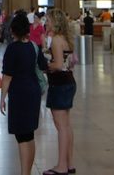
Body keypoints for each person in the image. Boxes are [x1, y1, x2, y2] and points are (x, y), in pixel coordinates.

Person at [0, 12, 43, 175]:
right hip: (33, 91)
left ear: (13, 30)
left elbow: (7, 76)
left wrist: (2, 98)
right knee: (29, 134)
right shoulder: (32, 46)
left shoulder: (12, 48)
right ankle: (27, 172)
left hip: (20, 94)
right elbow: (42, 65)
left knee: (22, 136)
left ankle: (25, 173)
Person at [44, 9, 76, 175]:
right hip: (68, 82)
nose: (46, 23)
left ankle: (62, 166)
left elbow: (57, 65)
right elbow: (68, 61)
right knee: (66, 125)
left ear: (55, 22)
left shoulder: (56, 40)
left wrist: (45, 66)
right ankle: (69, 163)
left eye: (48, 20)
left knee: (61, 126)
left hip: (59, 84)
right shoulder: (66, 39)